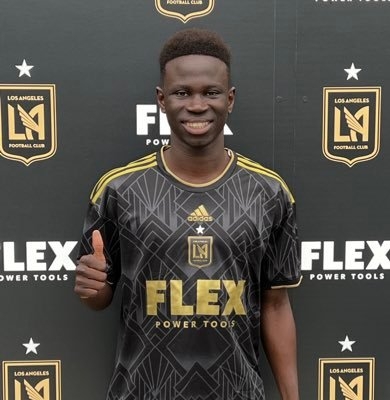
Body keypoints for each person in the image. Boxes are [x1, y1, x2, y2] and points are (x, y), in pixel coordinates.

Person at [75, 28, 302, 400]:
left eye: (211, 92)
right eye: (182, 92)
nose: (197, 105)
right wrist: (92, 289)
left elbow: (275, 305)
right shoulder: (118, 189)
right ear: (161, 100)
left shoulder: (269, 192)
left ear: (230, 99)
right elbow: (99, 297)